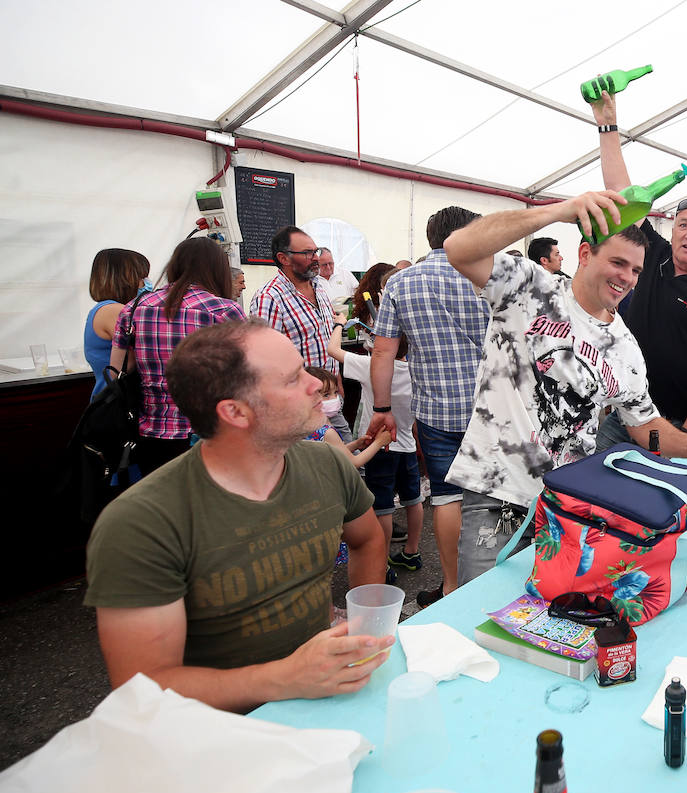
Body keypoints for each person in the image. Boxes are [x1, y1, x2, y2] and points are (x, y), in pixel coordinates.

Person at [83, 320, 390, 713]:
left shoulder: (327, 463)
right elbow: (145, 689)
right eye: (294, 379)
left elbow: (368, 539)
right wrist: (288, 677)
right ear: (235, 412)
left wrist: (363, 629)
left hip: (327, 698)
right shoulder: (142, 523)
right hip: (218, 734)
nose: (316, 384)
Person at [439, 188, 687, 589]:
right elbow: (459, 248)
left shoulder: (626, 348)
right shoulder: (531, 288)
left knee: (549, 619)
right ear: (585, 254)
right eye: (618, 262)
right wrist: (559, 211)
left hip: (570, 507)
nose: (626, 277)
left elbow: (644, 426)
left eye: (636, 271)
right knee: (480, 613)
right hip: (498, 494)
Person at [589, 88, 687, 448]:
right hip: (623, 413)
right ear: (671, 230)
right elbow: (621, 192)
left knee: (653, 501)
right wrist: (608, 126)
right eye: (683, 224)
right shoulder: (654, 254)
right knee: (595, 495)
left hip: (670, 424)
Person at [366, 206, 491, 607]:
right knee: (495, 498)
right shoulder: (490, 276)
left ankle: (453, 586)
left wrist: (382, 407)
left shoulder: (401, 282)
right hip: (494, 411)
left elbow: (383, 351)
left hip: (436, 412)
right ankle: (491, 585)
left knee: (446, 497)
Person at [110, 237, 245, 474]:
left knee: (166, 505)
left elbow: (118, 370)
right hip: (208, 430)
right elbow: (247, 372)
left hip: (151, 430)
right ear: (218, 270)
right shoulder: (222, 309)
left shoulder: (133, 308)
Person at [330, 307, 423, 571]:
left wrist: (339, 324)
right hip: (407, 444)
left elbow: (333, 351)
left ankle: (381, 565)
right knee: (413, 500)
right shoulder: (416, 370)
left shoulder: (370, 365)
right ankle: (411, 552)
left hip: (379, 445)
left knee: (382, 507)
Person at [250, 226, 337, 375]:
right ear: (284, 258)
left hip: (329, 391)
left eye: (315, 251)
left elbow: (325, 342)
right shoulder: (269, 298)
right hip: (298, 393)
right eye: (307, 253)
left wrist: (336, 378)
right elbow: (264, 360)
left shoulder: (318, 288)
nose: (316, 257)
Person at [84, 248, 150, 401]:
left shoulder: (103, 308)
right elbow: (141, 355)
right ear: (125, 279)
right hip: (118, 404)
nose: (146, 282)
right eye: (142, 277)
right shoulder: (114, 310)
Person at [317, 247, 358, 312]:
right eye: (324, 265)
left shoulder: (345, 274)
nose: (328, 267)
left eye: (330, 263)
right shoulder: (312, 280)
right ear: (317, 264)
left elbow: (358, 293)